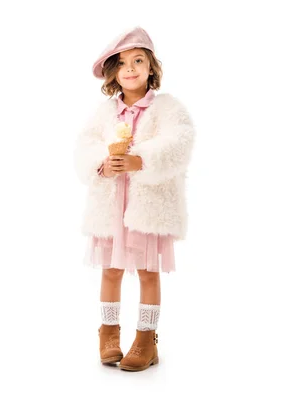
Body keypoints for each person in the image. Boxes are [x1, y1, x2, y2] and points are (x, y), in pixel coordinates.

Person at [73, 26, 196, 372]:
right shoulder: (104, 113)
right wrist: (103, 163)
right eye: (123, 63)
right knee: (110, 270)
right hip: (111, 206)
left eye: (138, 60)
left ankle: (146, 338)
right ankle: (108, 334)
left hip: (147, 206)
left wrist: (142, 159)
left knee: (147, 272)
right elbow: (85, 146)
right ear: (113, 72)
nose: (130, 68)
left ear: (151, 67)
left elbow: (179, 142)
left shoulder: (167, 108)